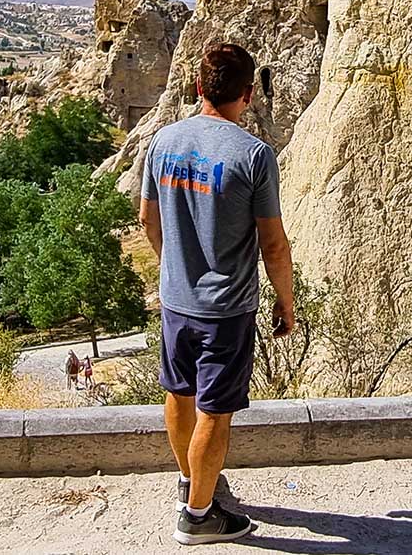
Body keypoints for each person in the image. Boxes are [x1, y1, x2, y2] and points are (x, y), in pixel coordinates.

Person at [140, 42, 295, 546]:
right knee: (215, 411)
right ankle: (199, 515)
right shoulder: (253, 155)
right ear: (247, 95)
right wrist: (285, 302)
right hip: (225, 307)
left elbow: (147, 219)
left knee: (179, 392)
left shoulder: (163, 141)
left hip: (176, 300)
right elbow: (272, 242)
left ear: (198, 87)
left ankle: (190, 480)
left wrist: (173, 269)